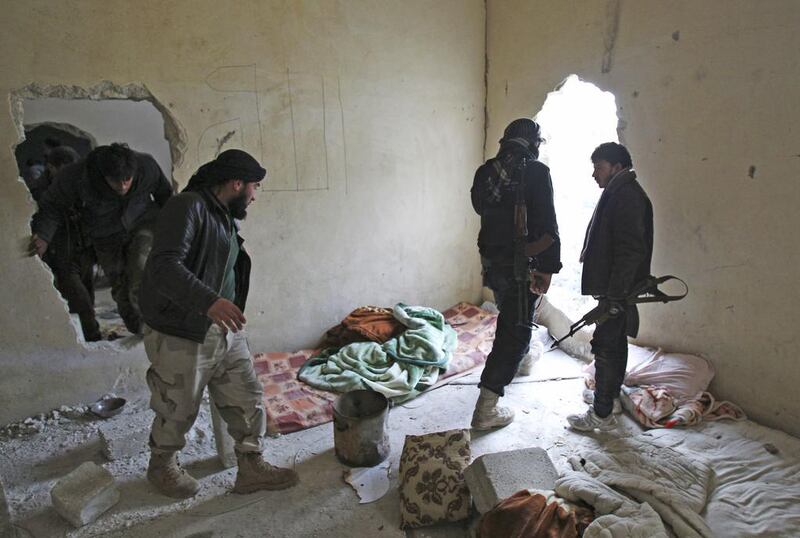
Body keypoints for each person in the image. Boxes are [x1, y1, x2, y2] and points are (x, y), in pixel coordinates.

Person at [138, 149, 299, 498]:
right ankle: (162, 466)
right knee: (177, 405)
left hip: (222, 327)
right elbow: (163, 266)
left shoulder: (221, 214)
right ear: (236, 183)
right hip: (182, 329)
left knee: (246, 395)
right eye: (255, 186)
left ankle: (251, 465)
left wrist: (220, 309)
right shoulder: (188, 206)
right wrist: (209, 302)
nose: (255, 195)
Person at [470, 118, 562, 430]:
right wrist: (549, 267)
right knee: (516, 331)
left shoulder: (486, 172)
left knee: (511, 317)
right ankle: (487, 407)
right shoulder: (535, 171)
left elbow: (479, 208)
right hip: (522, 266)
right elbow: (548, 225)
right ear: (533, 143)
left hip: (493, 264)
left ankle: (520, 361)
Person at [31, 143, 173, 335]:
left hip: (143, 222)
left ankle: (157, 327)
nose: (122, 186)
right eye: (115, 181)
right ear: (103, 176)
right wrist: (44, 237)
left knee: (140, 268)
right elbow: (52, 206)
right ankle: (140, 330)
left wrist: (174, 230)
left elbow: (165, 195)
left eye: (127, 180)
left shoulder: (146, 166)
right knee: (120, 284)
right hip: (104, 233)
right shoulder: (76, 176)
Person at [567, 142, 653, 431]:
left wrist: (614, 297)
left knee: (606, 349)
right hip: (615, 291)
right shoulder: (618, 192)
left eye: (599, 167)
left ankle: (601, 414)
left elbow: (630, 251)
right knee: (612, 347)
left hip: (618, 292)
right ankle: (609, 402)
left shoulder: (627, 196)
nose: (594, 174)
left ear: (616, 167)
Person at [37, 145, 103, 341]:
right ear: (51, 167)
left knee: (88, 296)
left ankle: (87, 338)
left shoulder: (81, 185)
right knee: (79, 300)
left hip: (83, 249)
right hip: (61, 253)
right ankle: (92, 338)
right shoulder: (40, 192)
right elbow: (45, 221)